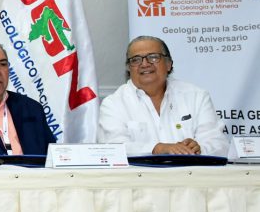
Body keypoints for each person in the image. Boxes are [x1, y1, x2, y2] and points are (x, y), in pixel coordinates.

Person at [97, 35, 228, 156]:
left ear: (168, 64)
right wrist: (156, 149)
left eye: (153, 57)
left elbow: (218, 144)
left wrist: (199, 148)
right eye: (136, 60)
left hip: (191, 172)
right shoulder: (113, 104)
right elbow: (113, 148)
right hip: (140, 174)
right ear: (129, 68)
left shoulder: (196, 97)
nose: (144, 64)